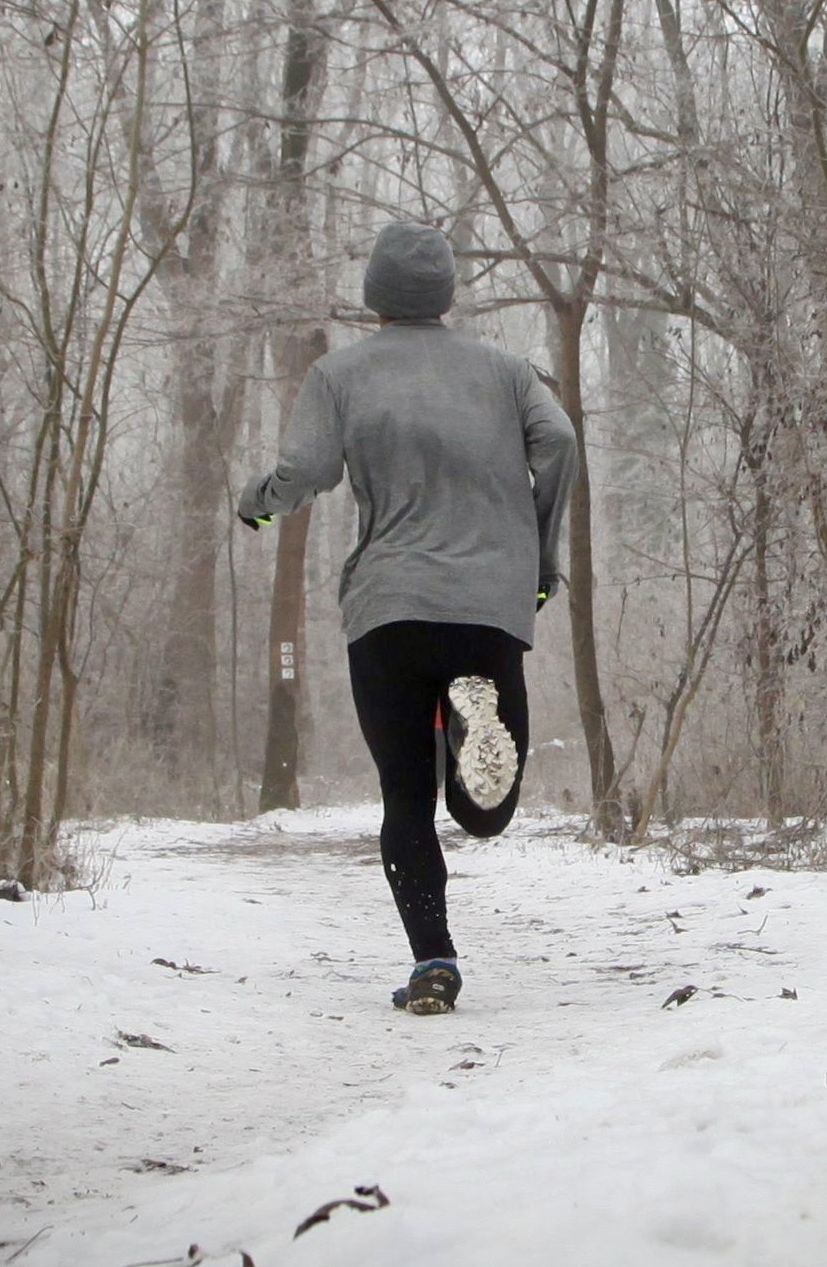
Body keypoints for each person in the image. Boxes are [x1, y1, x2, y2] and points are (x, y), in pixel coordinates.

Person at [237, 222, 576, 1015]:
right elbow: (557, 440)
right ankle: (472, 734)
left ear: (374, 296)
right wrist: (538, 558)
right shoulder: (506, 372)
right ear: (447, 293)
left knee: (404, 799)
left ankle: (434, 961)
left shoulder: (340, 374)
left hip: (389, 608)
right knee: (481, 811)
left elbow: (305, 471)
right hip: (489, 605)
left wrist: (257, 505)